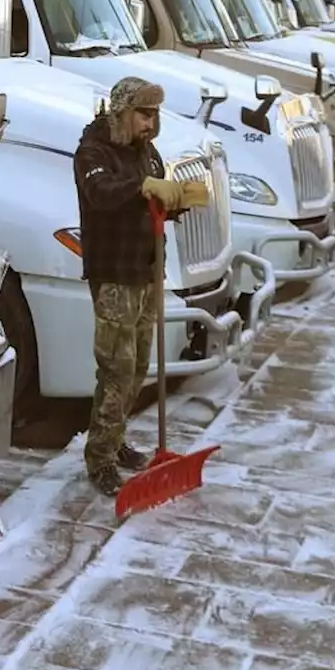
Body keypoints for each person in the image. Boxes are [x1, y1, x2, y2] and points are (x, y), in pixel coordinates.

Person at [73, 77, 210, 497]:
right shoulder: (93, 152)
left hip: (146, 269)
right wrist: (142, 188)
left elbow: (150, 197)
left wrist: (177, 199)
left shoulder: (145, 152)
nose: (151, 123)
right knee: (116, 367)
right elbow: (102, 193)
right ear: (122, 113)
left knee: (136, 368)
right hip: (114, 273)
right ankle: (99, 458)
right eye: (143, 114)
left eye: (155, 115)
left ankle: (115, 441)